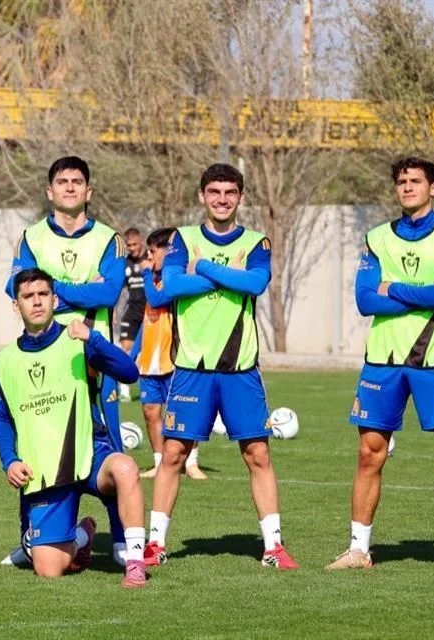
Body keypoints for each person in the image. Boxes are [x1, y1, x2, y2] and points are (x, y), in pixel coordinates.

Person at [327, 158, 434, 579]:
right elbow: (365, 300)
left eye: (415, 181)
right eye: (401, 181)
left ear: (433, 187)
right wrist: (423, 290)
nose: (407, 187)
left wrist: (392, 288)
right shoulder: (376, 238)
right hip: (382, 360)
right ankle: (358, 549)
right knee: (369, 453)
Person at [144, 163, 298, 571]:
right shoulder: (182, 239)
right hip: (191, 369)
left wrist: (205, 268)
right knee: (173, 453)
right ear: (202, 196)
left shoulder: (256, 242)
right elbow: (171, 286)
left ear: (240, 197)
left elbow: (256, 283)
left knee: (258, 454)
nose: (222, 199)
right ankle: (155, 544)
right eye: (214, 192)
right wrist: (231, 276)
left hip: (240, 370)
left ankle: (274, 547)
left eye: (230, 192)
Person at [2, 156, 128, 566]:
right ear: (49, 191)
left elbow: (109, 293)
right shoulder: (31, 238)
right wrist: (80, 288)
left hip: (94, 361)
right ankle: (31, 537)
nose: (70, 187)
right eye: (62, 181)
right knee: (35, 446)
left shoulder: (109, 239)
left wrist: (51, 287)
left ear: (88, 191)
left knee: (109, 444)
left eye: (77, 181)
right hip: (44, 357)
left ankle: (122, 539)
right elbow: (16, 287)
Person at [0, 268, 146, 588]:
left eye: (43, 294)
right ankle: (82, 535)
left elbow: (130, 373)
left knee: (126, 467)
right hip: (46, 469)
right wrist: (10, 461)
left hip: (90, 454)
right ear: (16, 306)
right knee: (48, 569)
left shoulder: (77, 341)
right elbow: (2, 418)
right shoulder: (5, 360)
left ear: (54, 299)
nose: (37, 302)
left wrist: (95, 338)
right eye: (28, 296)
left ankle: (135, 563)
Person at [130, 228, 207, 481]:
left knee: (184, 411)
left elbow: (156, 299)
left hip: (173, 358)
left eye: (152, 251)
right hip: (149, 361)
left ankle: (191, 463)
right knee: (151, 411)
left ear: (167, 251)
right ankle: (159, 462)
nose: (149, 257)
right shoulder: (154, 280)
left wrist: (144, 273)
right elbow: (147, 320)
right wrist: (132, 354)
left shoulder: (176, 281)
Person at [118, 227, 146, 402]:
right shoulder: (125, 263)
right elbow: (116, 288)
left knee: (147, 353)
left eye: (135, 244)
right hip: (132, 311)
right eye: (129, 245)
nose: (132, 248)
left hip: (150, 312)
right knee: (125, 349)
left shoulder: (150, 258)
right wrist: (112, 310)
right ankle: (124, 390)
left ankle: (149, 389)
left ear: (141, 241)